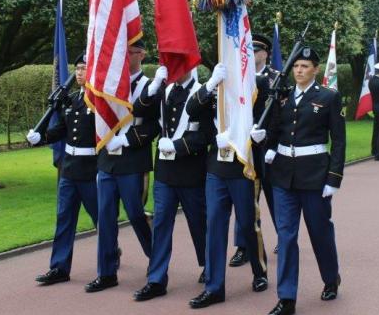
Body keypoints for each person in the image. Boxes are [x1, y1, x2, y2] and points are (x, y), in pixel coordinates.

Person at [258, 46, 346, 315]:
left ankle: (331, 278)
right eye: (296, 66)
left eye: (305, 66)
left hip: (315, 176)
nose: (299, 70)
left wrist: (334, 177)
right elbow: (276, 130)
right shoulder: (282, 98)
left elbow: (339, 141)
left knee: (319, 232)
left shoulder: (329, 97)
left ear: (315, 70)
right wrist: (266, 141)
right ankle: (287, 298)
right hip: (284, 176)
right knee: (286, 236)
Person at [187, 64, 269, 309]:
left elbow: (268, 119)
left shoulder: (255, 86)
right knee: (214, 225)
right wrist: (211, 83)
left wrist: (256, 137)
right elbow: (191, 110)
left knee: (246, 223)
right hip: (216, 167)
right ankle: (214, 287)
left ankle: (259, 270)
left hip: (244, 165)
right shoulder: (213, 89)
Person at [84, 39, 155, 293]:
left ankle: (156, 260)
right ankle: (106, 272)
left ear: (142, 54)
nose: (124, 57)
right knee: (105, 217)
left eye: (130, 52)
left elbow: (155, 125)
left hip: (133, 160)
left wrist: (127, 139)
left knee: (136, 214)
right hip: (107, 160)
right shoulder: (110, 85)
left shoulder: (150, 86)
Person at [133, 66, 209, 301]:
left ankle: (209, 266)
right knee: (161, 224)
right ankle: (156, 280)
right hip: (165, 173)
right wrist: (152, 88)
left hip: (190, 171)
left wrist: (177, 146)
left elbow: (206, 134)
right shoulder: (164, 91)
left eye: (179, 62)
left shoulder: (201, 93)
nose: (175, 67)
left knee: (198, 223)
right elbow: (139, 112)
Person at [26, 57, 98, 286]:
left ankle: (109, 256)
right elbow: (61, 130)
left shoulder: (99, 101)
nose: (79, 72)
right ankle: (59, 267)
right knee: (64, 219)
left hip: (90, 170)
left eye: (83, 68)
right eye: (77, 68)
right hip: (69, 169)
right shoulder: (73, 100)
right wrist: (41, 137)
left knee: (101, 219)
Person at [230, 34, 280, 267]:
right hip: (246, 148)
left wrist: (272, 141)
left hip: (268, 150)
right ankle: (243, 246)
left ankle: (284, 236)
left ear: (265, 54)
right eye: (249, 50)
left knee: (276, 198)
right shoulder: (240, 79)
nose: (252, 54)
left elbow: (283, 116)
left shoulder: (276, 79)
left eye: (256, 50)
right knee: (244, 200)